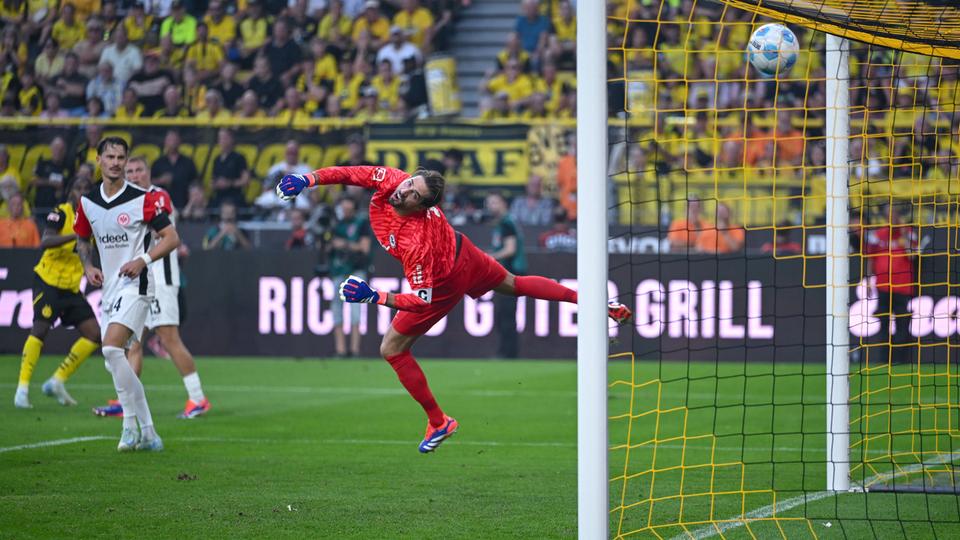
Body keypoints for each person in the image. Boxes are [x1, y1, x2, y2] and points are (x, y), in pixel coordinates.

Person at [276, 166, 633, 453]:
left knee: (391, 348)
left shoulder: (417, 243)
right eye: (410, 183)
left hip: (444, 281)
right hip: (466, 252)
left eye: (415, 194)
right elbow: (353, 174)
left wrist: (376, 297)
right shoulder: (393, 180)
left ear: (423, 207)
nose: (406, 191)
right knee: (515, 284)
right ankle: (597, 302)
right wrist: (307, 179)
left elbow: (423, 299)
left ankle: (439, 420)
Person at [74, 136, 180, 452]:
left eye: (121, 157)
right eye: (111, 157)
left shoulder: (142, 199)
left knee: (110, 349)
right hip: (109, 290)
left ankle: (128, 426)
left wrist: (142, 259)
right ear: (99, 159)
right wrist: (88, 265)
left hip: (139, 286)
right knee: (115, 358)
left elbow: (171, 237)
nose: (117, 163)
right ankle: (148, 432)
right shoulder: (88, 202)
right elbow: (82, 240)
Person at [93, 156, 210, 419]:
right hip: (138, 281)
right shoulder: (127, 200)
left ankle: (198, 398)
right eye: (130, 171)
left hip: (161, 277)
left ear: (148, 173)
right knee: (132, 344)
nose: (134, 175)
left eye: (139, 170)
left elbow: (160, 233)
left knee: (169, 338)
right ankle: (128, 402)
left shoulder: (158, 197)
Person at [13, 180, 101, 409]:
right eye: (79, 188)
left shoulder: (93, 219)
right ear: (71, 191)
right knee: (40, 329)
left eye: (87, 190)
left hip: (71, 287)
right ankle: (22, 389)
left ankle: (57, 381)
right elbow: (45, 241)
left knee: (94, 334)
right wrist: (75, 235)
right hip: (48, 281)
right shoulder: (60, 213)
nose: (83, 193)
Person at [865, 203, 918, 364]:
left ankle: (899, 362)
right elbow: (870, 257)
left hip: (903, 287)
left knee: (902, 324)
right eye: (888, 214)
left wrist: (903, 235)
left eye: (893, 213)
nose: (891, 217)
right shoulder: (878, 235)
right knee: (883, 324)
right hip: (883, 286)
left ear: (897, 214)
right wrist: (868, 280)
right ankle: (883, 361)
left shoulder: (908, 233)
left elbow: (913, 256)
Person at [328, 196, 372, 357]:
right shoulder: (335, 225)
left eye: (348, 208)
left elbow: (365, 248)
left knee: (355, 311)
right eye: (343, 208)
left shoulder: (361, 223)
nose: (345, 211)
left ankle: (354, 350)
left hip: (356, 270)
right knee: (336, 310)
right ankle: (340, 349)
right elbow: (327, 247)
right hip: (338, 270)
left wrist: (345, 244)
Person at [486, 192, 527, 358]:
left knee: (507, 314)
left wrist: (489, 257)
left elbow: (510, 249)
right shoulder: (503, 223)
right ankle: (506, 352)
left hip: (512, 272)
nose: (491, 206)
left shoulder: (507, 223)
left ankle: (508, 353)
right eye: (489, 203)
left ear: (504, 203)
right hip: (507, 272)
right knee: (504, 313)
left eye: (494, 202)